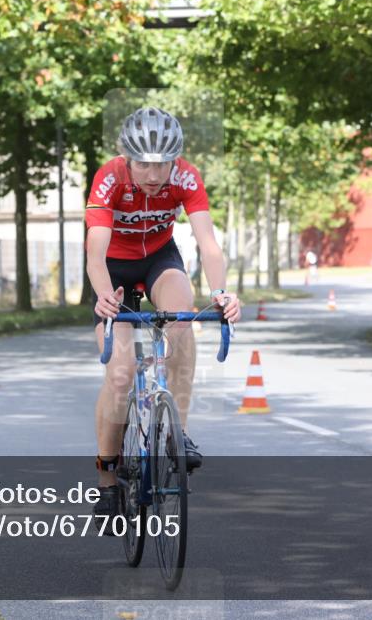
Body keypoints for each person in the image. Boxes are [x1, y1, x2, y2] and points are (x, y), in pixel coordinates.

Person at [84, 107, 242, 528]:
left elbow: (208, 243)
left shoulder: (186, 177)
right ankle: (106, 482)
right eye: (143, 164)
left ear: (176, 159)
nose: (153, 174)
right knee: (120, 374)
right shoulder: (109, 178)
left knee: (183, 322)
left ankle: (177, 434)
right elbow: (94, 253)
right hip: (112, 271)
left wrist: (222, 292)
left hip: (159, 259)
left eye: (162, 164)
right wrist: (104, 298)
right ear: (127, 157)